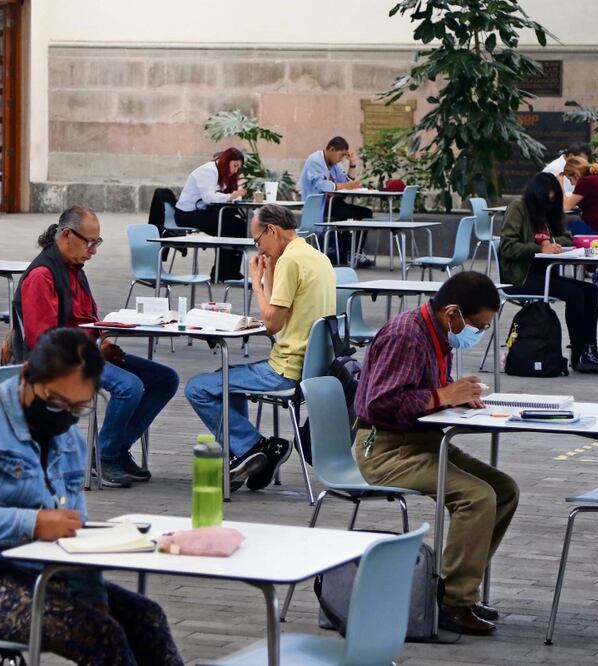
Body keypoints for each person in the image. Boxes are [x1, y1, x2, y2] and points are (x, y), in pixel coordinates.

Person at [0, 328, 184, 666]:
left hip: (27, 575)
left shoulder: (69, 441)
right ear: (27, 376)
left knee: (147, 619)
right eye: (55, 401)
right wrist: (31, 523)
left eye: (78, 407)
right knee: (97, 634)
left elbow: (73, 537)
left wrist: (94, 598)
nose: (65, 414)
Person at [352, 271, 518, 635]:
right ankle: (453, 602)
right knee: (477, 497)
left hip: (422, 441)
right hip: (385, 449)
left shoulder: (437, 333)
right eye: (478, 325)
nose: (478, 333)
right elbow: (380, 403)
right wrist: (443, 396)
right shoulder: (405, 335)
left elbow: (419, 388)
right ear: (453, 313)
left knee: (503, 490)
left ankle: (460, 588)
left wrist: (455, 393)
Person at [11, 206, 180, 488]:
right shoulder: (43, 275)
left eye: (97, 243)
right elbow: (43, 341)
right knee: (129, 386)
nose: (93, 251)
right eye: (89, 243)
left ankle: (116, 447)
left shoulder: (74, 268)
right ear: (66, 235)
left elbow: (86, 318)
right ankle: (104, 456)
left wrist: (104, 340)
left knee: (165, 379)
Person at [186, 204, 336, 490]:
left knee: (198, 388)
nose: (259, 248)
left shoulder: (291, 261)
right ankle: (243, 454)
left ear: (272, 231)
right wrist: (269, 270)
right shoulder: (316, 257)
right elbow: (280, 307)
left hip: (286, 368)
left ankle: (255, 447)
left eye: (258, 241)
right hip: (311, 366)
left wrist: (255, 281)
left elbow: (271, 324)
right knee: (225, 381)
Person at [500, 173, 598, 373]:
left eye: (553, 201)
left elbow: (567, 238)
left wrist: (552, 243)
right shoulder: (518, 208)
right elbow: (507, 247)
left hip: (546, 274)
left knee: (590, 291)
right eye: (547, 200)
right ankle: (579, 354)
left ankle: (589, 351)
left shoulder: (548, 213)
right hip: (522, 276)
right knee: (575, 294)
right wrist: (539, 248)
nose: (549, 205)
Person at [175, 147, 248, 281]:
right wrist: (230, 196)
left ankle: (232, 271)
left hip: (202, 211)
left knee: (240, 226)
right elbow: (209, 198)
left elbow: (223, 195)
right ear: (226, 161)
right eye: (235, 165)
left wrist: (235, 195)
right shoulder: (208, 171)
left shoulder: (223, 173)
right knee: (228, 227)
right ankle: (222, 272)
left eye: (238, 167)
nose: (235, 170)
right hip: (186, 214)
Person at [299, 136, 374, 267]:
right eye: (341, 155)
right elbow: (322, 185)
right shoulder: (315, 161)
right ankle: (350, 254)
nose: (341, 159)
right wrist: (346, 186)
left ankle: (354, 252)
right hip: (319, 206)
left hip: (333, 203)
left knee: (365, 213)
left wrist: (352, 163)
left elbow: (345, 181)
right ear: (332, 149)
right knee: (348, 215)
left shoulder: (334, 164)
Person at [561, 156, 598, 238]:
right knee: (571, 219)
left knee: (560, 220)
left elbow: (566, 206)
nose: (571, 184)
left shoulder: (585, 181)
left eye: (570, 179)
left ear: (575, 174)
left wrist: (560, 184)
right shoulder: (595, 178)